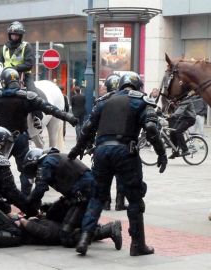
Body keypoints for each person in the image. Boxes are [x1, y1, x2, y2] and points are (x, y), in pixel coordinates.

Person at [68, 71, 167, 256]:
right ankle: (137, 245)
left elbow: (87, 129)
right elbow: (152, 128)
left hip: (101, 152)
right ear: (138, 86)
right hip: (125, 152)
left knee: (97, 196)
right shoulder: (141, 101)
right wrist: (161, 153)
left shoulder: (104, 101)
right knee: (135, 199)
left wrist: (76, 151)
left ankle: (85, 237)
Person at [0, 68, 78, 195]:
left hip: (1, 140)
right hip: (20, 138)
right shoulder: (27, 97)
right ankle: (26, 198)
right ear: (18, 81)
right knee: (26, 170)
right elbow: (50, 109)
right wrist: (68, 117)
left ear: (3, 82)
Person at [22, 147, 122, 249]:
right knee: (53, 212)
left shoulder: (45, 163)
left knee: (65, 236)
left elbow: (40, 188)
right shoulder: (54, 159)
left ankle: (108, 229)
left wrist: (27, 205)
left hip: (83, 197)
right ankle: (89, 227)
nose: (34, 174)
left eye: (32, 170)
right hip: (80, 195)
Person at [101, 73, 128, 211]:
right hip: (122, 144)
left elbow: (91, 124)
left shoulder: (102, 101)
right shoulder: (126, 100)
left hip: (103, 144)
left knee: (105, 176)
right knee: (121, 175)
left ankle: (106, 203)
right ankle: (120, 202)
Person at [0, 21, 35, 93]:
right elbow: (0, 61)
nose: (14, 37)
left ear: (20, 36)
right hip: (5, 76)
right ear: (10, 35)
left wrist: (13, 69)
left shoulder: (26, 46)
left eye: (17, 35)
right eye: (13, 35)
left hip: (24, 75)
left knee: (32, 93)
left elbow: (29, 64)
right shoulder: (4, 47)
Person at [168, 94, 196, 159]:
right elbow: (177, 110)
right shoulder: (180, 100)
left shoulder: (186, 100)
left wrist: (171, 116)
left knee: (178, 131)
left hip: (190, 118)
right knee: (172, 131)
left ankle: (185, 150)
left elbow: (180, 111)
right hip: (183, 118)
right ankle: (175, 151)